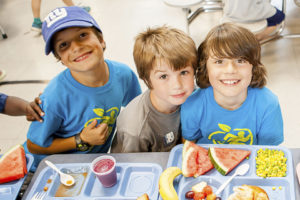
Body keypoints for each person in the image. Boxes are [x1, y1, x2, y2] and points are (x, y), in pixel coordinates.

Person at [25, 6, 142, 171]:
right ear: (61, 60)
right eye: (63, 45)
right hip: (48, 170)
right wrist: (80, 140)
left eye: (82, 35)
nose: (76, 47)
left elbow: (139, 108)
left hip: (90, 166)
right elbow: (33, 145)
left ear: (101, 39)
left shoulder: (123, 75)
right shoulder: (54, 96)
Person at [181, 23, 283, 145]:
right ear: (205, 68)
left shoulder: (268, 105)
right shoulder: (192, 104)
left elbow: (269, 154)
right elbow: (188, 146)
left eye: (240, 60)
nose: (230, 70)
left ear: (254, 67)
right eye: (219, 61)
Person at [111, 26, 197, 153]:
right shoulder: (136, 129)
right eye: (163, 76)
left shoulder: (194, 96)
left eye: (184, 72)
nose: (177, 85)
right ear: (147, 79)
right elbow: (134, 168)